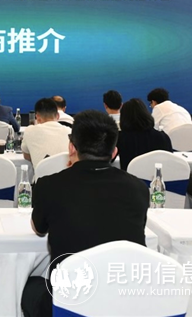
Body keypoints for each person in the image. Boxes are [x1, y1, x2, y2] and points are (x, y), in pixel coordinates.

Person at [22, 110, 148, 317]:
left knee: (28, 285)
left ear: (71, 147)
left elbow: (38, 229)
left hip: (69, 303)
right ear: (114, 152)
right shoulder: (139, 188)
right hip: (123, 303)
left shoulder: (50, 185)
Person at [116, 98, 173, 171]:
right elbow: (170, 162)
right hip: (157, 176)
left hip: (129, 177)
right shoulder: (162, 137)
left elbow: (109, 158)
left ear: (123, 118)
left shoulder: (120, 138)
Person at [21, 98, 72, 168]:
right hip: (67, 173)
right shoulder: (69, 131)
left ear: (37, 117)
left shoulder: (29, 131)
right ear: (58, 116)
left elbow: (26, 156)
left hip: (42, 174)